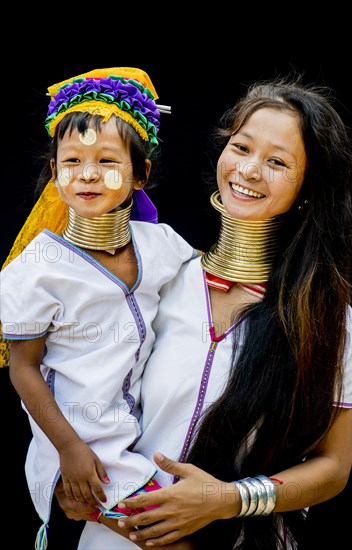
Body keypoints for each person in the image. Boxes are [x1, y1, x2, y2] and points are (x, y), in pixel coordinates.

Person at [58, 75, 352, 550]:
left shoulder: (325, 318)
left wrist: (228, 500)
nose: (250, 170)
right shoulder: (153, 279)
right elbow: (82, 405)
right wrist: (71, 486)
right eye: (241, 148)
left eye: (277, 161)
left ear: (307, 187)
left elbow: (334, 467)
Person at [0, 67, 198, 550]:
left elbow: (211, 285)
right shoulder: (35, 270)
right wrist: (70, 448)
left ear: (140, 173)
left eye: (107, 160)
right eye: (71, 161)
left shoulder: (162, 245)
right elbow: (22, 370)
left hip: (145, 436)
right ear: (54, 172)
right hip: (83, 448)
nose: (86, 174)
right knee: (171, 539)